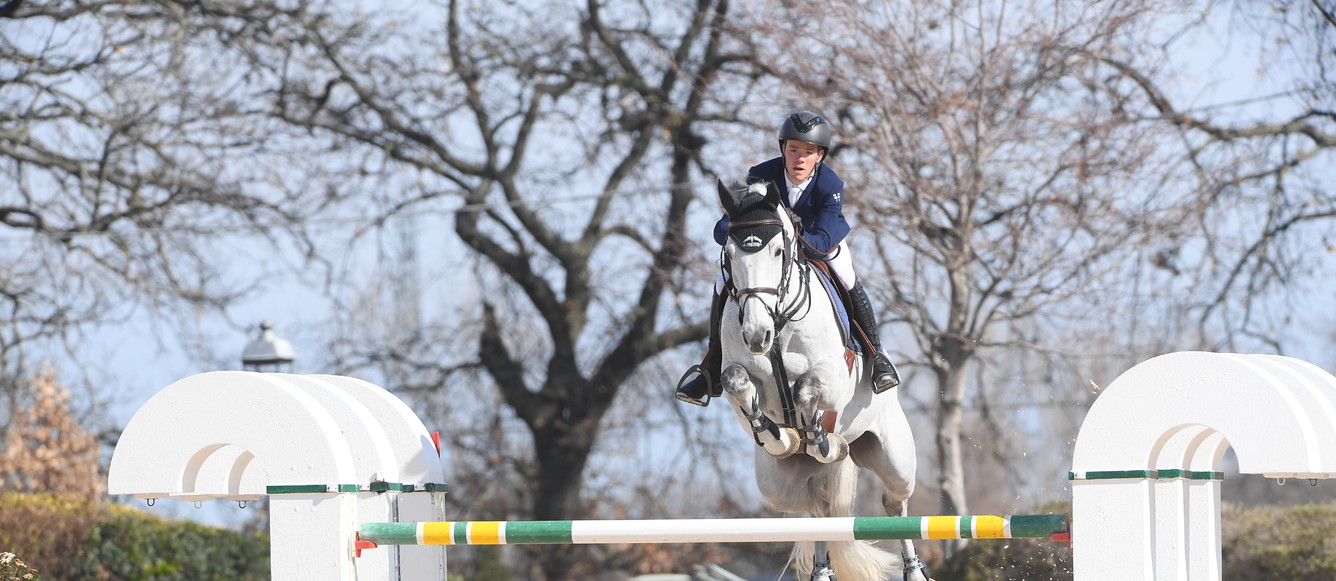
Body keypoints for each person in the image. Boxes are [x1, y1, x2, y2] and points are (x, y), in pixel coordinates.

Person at [675, 110, 901, 407]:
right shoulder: (760, 175)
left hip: (818, 243)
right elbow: (724, 227)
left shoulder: (830, 185)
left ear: (819, 155)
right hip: (769, 253)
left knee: (845, 273)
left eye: (807, 152)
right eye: (794, 150)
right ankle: (711, 369)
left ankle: (876, 355)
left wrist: (792, 241)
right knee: (722, 282)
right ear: (783, 148)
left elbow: (823, 238)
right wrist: (734, 227)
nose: (799, 159)